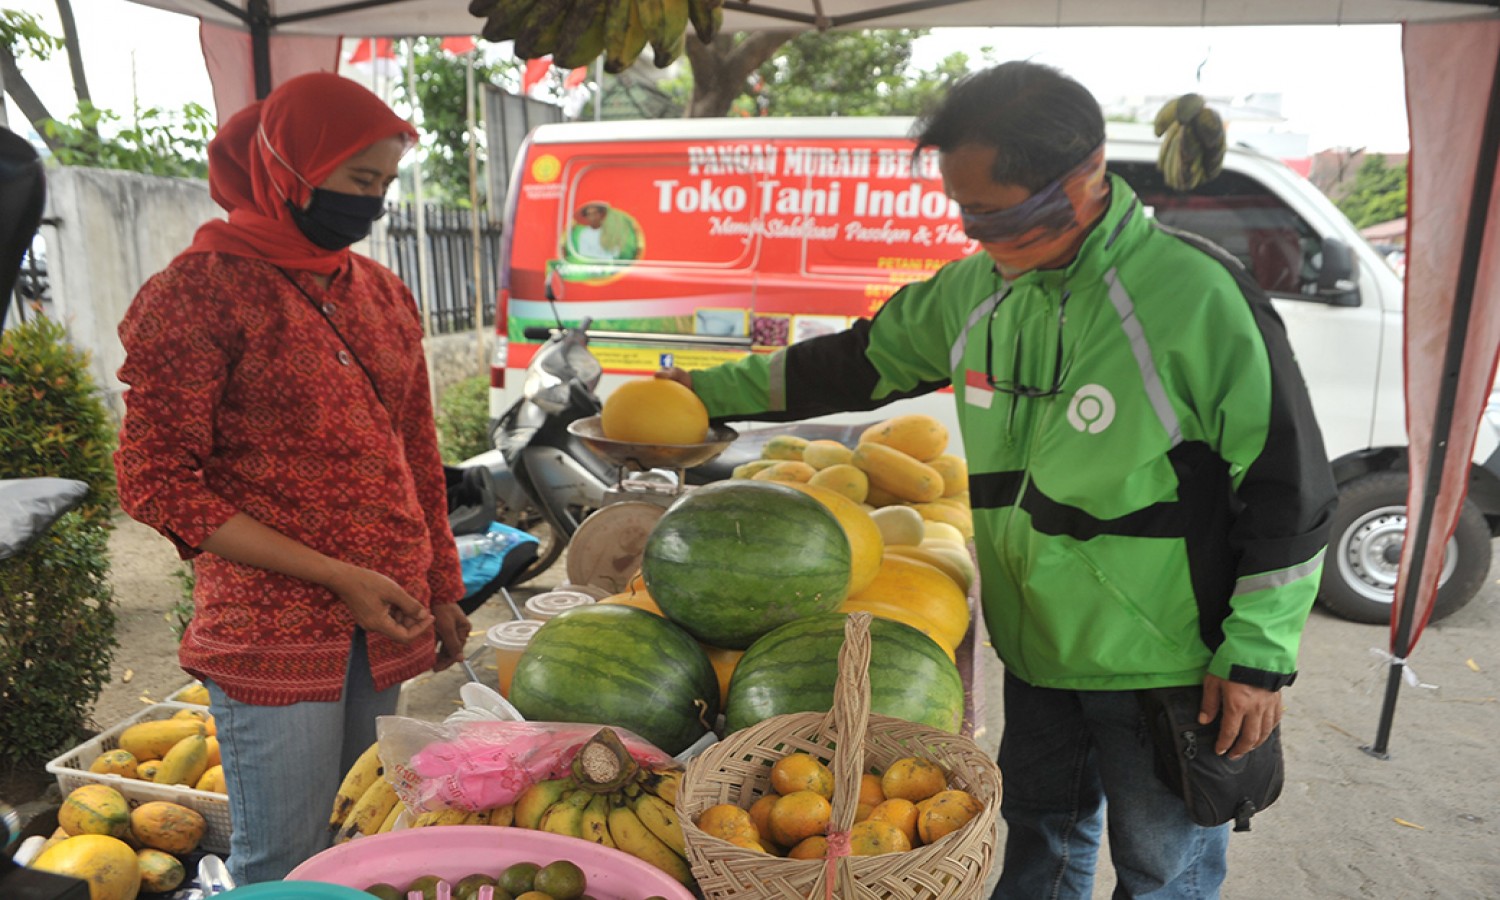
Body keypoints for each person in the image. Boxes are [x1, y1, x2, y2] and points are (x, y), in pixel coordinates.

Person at [661, 61, 1337, 898]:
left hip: (1166, 664)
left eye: (1001, 214)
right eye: (966, 213)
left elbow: (1292, 485)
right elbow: (857, 361)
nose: (979, 237)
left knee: (1163, 870)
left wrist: (1259, 659)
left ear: (1086, 175)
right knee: (1039, 842)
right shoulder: (975, 290)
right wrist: (706, 394)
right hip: (1037, 650)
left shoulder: (1193, 296)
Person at [113, 72, 470, 884]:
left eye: (385, 183)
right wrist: (336, 574)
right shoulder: (198, 294)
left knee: (356, 840)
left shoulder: (382, 293)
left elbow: (417, 452)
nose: (373, 203)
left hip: (384, 612)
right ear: (289, 169)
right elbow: (156, 480)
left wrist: (443, 584)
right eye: (358, 181)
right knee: (284, 855)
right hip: (271, 628)